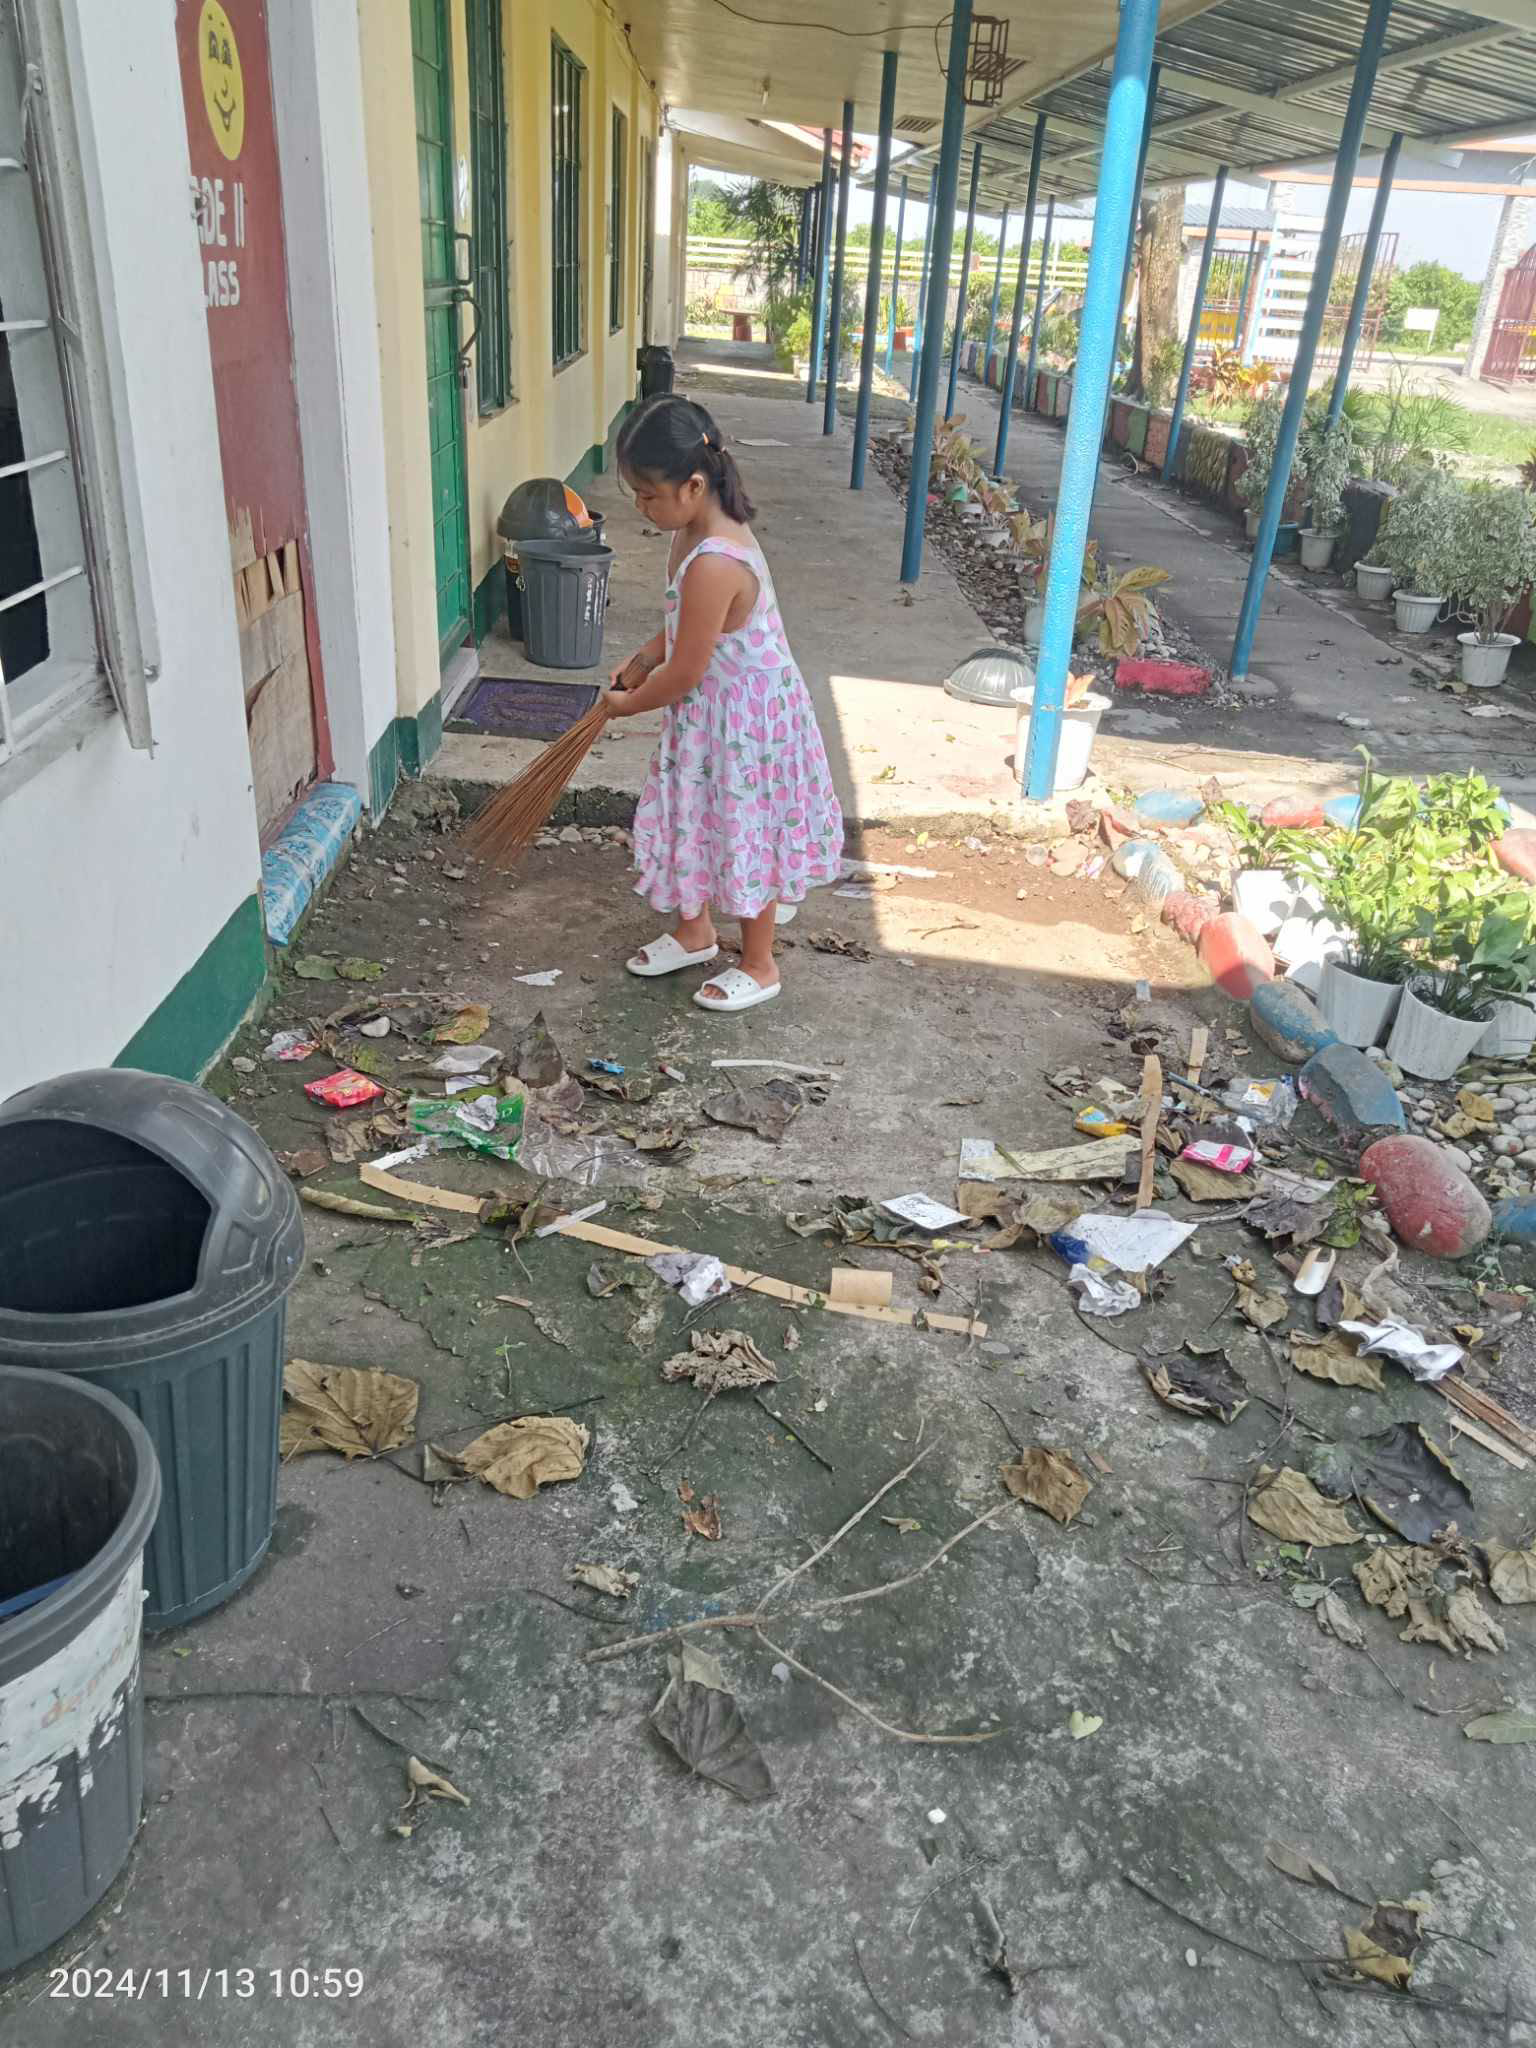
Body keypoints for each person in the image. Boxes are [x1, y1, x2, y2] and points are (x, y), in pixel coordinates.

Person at [603, 395, 843, 1013]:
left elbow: (686, 672)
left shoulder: (717, 560)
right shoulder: (690, 532)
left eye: (649, 494)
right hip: (715, 713)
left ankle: (760, 964)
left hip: (747, 723)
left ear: (694, 482)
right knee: (698, 815)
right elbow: (684, 628)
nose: (641, 506)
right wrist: (644, 657)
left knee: (745, 833)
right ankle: (695, 931)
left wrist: (626, 707)